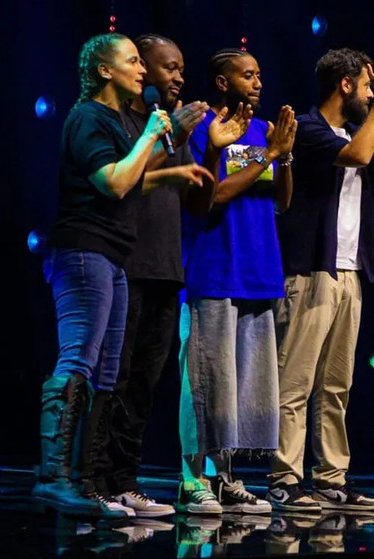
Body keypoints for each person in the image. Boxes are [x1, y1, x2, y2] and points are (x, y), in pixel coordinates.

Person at [34, 34, 205, 517]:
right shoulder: (88, 116)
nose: (142, 70)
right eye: (132, 61)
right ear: (105, 70)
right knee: (80, 361)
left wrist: (168, 159)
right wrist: (154, 135)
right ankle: (54, 478)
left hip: (114, 254)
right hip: (84, 250)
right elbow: (112, 182)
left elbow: (130, 176)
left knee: (109, 372)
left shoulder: (115, 121)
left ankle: (90, 483)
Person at [268, 49, 374, 514]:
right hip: (311, 269)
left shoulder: (362, 131)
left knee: (337, 385)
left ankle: (332, 477)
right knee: (295, 381)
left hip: (351, 273)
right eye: (369, 86)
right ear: (346, 86)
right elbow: (357, 156)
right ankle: (284, 477)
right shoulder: (311, 130)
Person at [89, 33, 214, 518]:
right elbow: (122, 183)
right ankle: (96, 480)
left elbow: (199, 202)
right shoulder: (128, 125)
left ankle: (125, 481)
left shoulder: (169, 126)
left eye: (181, 68)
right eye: (167, 67)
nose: (177, 76)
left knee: (144, 383)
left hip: (166, 270)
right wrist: (174, 138)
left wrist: (211, 152)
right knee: (114, 379)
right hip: (126, 265)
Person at [177, 48, 295, 514]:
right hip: (214, 269)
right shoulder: (203, 129)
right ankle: (192, 478)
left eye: (260, 73)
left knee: (245, 387)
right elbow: (213, 195)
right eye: (248, 75)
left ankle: (226, 478)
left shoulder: (266, 130)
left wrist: (283, 158)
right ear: (222, 82)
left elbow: (283, 202)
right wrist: (267, 155)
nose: (258, 82)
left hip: (259, 270)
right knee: (206, 381)